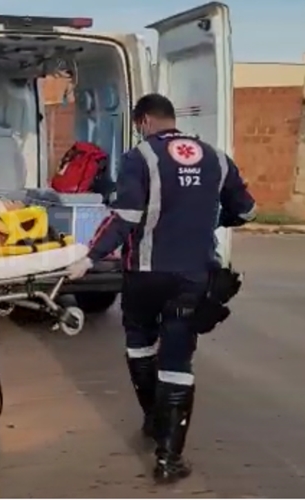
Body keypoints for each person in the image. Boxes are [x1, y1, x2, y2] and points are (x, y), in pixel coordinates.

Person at [66, 93, 256, 484]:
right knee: (178, 359)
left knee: (139, 343)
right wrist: (217, 219)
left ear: (143, 122)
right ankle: (169, 459)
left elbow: (126, 217)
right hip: (194, 276)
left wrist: (89, 257)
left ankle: (154, 421)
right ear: (173, 119)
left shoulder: (141, 157)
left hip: (145, 275)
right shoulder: (216, 157)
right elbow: (247, 210)